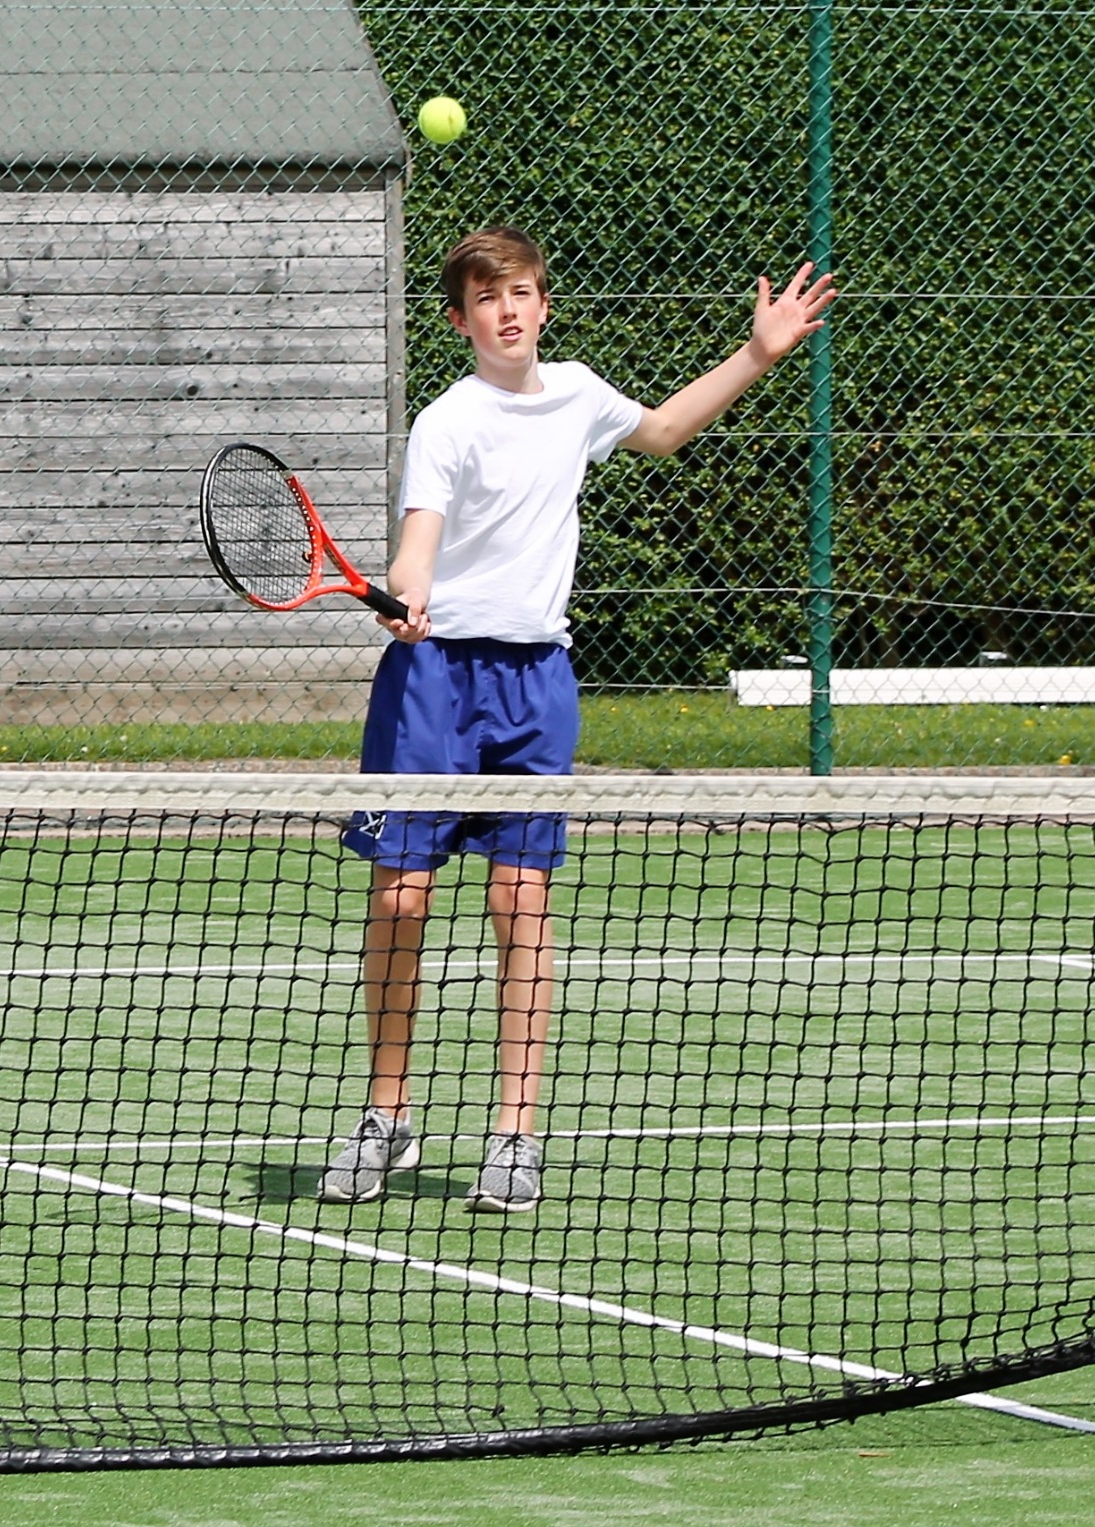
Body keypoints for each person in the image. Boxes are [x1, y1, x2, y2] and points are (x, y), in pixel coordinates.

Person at [318, 226, 835, 1213]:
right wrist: (408, 590)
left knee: (520, 901)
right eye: (485, 298)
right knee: (400, 903)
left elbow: (663, 430)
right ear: (460, 320)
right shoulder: (445, 422)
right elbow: (417, 543)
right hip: (432, 683)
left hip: (535, 685)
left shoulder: (580, 395)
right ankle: (386, 1118)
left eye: (518, 292)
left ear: (542, 306)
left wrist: (757, 353)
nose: (505, 311)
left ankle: (514, 1134)